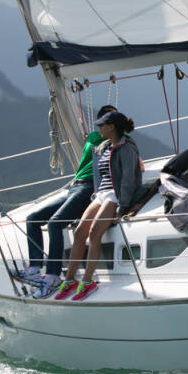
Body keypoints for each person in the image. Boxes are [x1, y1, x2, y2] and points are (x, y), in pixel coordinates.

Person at [16, 104, 117, 298]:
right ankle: (35, 268)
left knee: (55, 223)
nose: (104, 126)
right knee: (33, 218)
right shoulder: (95, 138)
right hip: (75, 186)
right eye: (103, 122)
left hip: (87, 187)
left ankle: (53, 276)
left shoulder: (104, 140)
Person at [54, 111, 144, 301]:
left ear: (111, 127)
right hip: (101, 195)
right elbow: (100, 174)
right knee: (79, 233)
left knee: (95, 232)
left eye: (102, 125)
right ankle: (70, 281)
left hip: (114, 195)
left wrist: (123, 205)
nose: (99, 128)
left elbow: (128, 178)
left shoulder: (127, 148)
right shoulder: (104, 146)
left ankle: (87, 282)